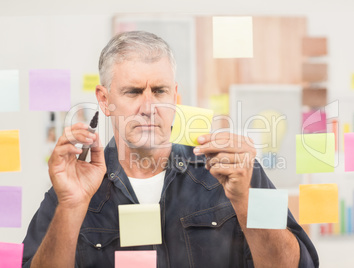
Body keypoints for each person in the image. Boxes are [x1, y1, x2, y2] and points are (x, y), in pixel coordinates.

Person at [22, 31, 319, 268]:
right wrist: (71, 207)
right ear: (104, 100)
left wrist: (247, 201)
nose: (149, 107)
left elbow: (300, 264)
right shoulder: (72, 189)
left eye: (160, 91)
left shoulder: (236, 171)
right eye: (133, 92)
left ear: (175, 96)